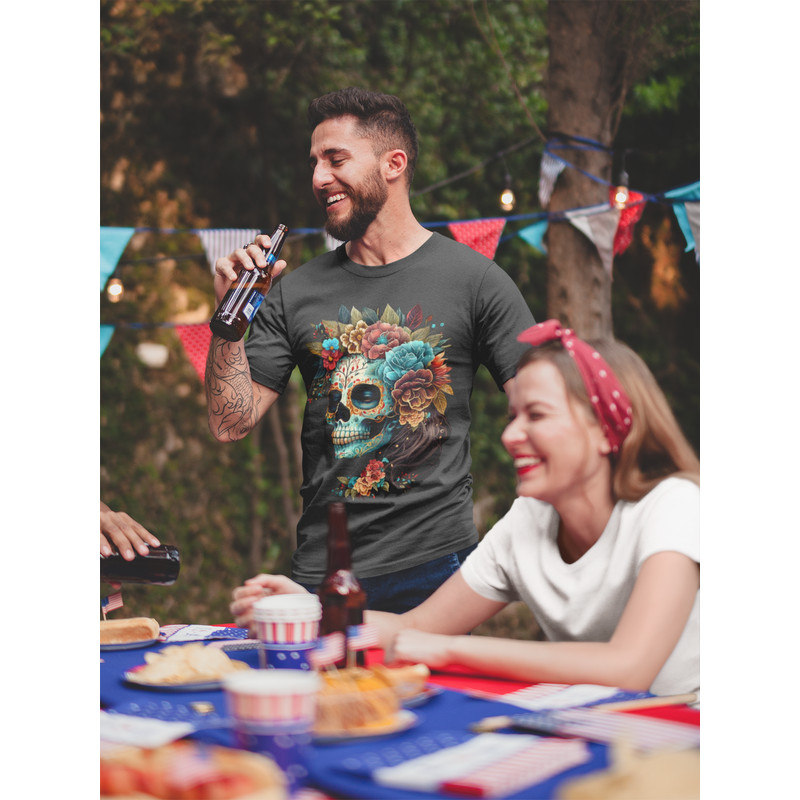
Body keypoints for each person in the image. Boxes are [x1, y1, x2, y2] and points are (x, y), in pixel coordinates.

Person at [230, 320, 700, 697]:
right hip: (598, 728)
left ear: (607, 429)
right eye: (513, 416)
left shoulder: (673, 506)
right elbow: (415, 627)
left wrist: (450, 651)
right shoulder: (528, 521)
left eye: (536, 415)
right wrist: (309, 610)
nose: (510, 436)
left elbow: (628, 668)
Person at [206, 87, 535, 612]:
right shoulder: (294, 291)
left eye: (335, 159)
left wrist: (518, 540)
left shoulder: (476, 281)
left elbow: (544, 409)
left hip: (437, 567)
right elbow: (230, 423)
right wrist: (228, 324)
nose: (318, 177)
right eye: (314, 163)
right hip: (322, 569)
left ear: (393, 164)